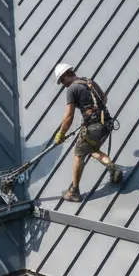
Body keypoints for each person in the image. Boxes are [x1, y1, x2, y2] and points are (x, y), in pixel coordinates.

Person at [52, 63, 123, 202]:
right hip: (106, 123)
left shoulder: (72, 89)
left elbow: (68, 117)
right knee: (91, 149)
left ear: (67, 75)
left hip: (93, 128)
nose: (63, 84)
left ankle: (74, 191)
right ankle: (113, 167)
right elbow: (104, 99)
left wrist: (60, 134)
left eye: (62, 80)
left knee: (78, 154)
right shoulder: (88, 81)